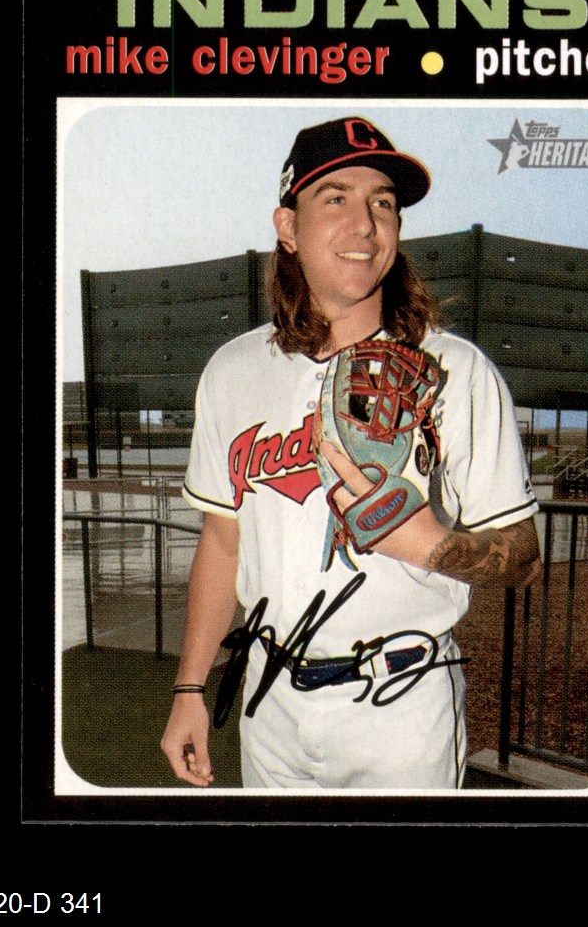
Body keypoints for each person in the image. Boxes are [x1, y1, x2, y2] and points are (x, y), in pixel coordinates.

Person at [161, 116, 541, 790]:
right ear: (287, 226)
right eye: (335, 197)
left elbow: (524, 557)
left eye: (382, 203)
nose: (364, 224)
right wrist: (190, 686)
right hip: (269, 702)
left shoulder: (455, 370)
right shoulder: (231, 370)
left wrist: (428, 544)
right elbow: (222, 541)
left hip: (402, 704)